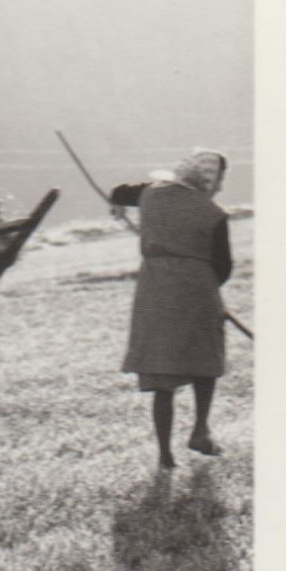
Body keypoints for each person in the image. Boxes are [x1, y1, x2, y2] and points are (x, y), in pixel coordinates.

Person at [110, 149, 232, 470]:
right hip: (199, 289)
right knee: (204, 361)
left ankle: (165, 454)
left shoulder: (150, 195)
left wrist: (117, 202)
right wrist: (207, 287)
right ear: (208, 178)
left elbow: (120, 192)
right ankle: (200, 431)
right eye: (219, 178)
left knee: (162, 372)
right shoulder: (214, 213)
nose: (219, 186)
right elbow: (224, 266)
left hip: (156, 290)